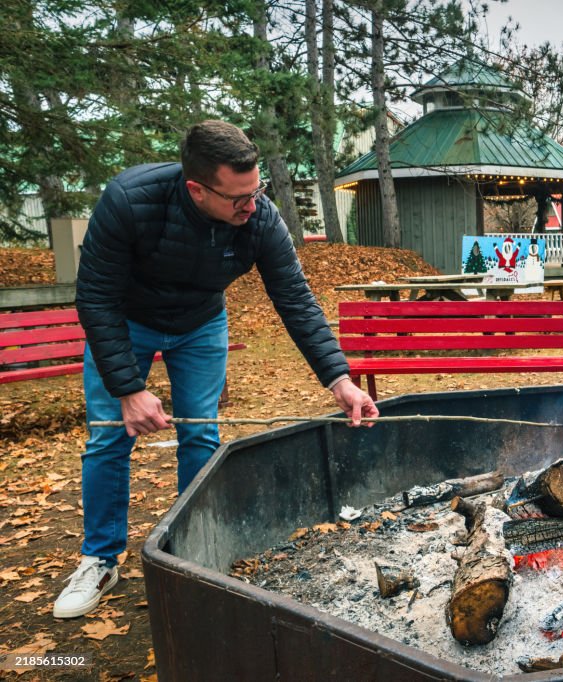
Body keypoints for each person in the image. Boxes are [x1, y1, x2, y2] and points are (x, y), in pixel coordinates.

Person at [54, 120, 379, 619]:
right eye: (238, 199)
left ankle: (191, 552)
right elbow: (95, 298)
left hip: (201, 324)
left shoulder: (261, 217)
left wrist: (340, 380)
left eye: (257, 192)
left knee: (201, 436)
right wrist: (128, 388)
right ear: (196, 189)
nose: (251, 207)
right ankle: (99, 559)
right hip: (126, 321)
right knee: (107, 437)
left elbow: (294, 299)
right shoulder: (128, 200)